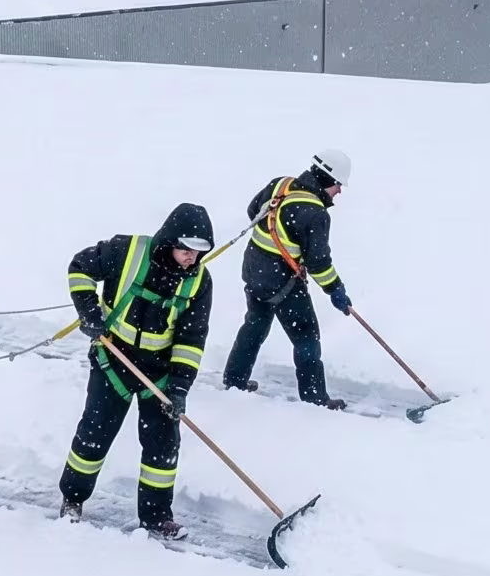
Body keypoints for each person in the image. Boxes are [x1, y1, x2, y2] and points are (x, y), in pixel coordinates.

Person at [60, 203, 216, 539]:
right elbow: (79, 268)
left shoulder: (199, 282)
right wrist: (89, 312)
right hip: (112, 360)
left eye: (198, 252)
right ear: (169, 240)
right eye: (185, 250)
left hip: (157, 373)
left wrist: (179, 387)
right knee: (95, 433)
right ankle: (72, 499)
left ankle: (157, 517)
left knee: (163, 444)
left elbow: (191, 338)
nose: (191, 258)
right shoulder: (126, 251)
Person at [220, 150, 353, 411]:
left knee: (255, 325)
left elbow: (252, 211)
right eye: (339, 185)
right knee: (306, 337)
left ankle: (234, 379)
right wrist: (336, 291)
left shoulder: (281, 183)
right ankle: (315, 399)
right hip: (283, 283)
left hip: (254, 271)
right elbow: (319, 264)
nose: (339, 191)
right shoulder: (315, 214)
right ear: (329, 180)